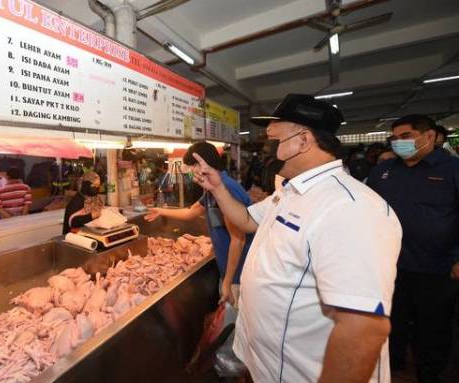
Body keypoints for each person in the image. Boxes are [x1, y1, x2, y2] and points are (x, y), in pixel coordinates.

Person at [190, 94, 402, 382]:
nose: (266, 148)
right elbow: (246, 220)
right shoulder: (291, 192)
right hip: (272, 367)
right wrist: (217, 188)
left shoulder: (350, 207)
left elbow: (363, 328)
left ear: (303, 141)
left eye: (273, 139)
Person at [367, 114, 459, 382]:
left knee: (433, 329)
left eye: (405, 136)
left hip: (437, 268)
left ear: (428, 136)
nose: (398, 142)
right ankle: (392, 367)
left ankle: (429, 374)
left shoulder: (451, 170)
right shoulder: (384, 171)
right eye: (394, 138)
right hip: (390, 267)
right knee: (391, 324)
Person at [145, 142, 253, 305]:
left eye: (195, 164)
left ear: (207, 161)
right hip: (229, 271)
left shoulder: (226, 189)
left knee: (236, 324)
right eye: (191, 166)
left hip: (239, 275)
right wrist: (161, 211)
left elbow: (238, 240)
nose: (193, 170)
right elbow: (191, 211)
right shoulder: (212, 189)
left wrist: (227, 282)